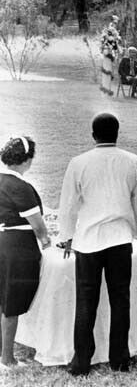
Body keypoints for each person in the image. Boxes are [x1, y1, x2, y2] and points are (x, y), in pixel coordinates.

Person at [57, 113, 137, 376]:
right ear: (117, 133)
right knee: (120, 300)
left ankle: (81, 363)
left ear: (93, 135)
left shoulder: (79, 162)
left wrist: (66, 236)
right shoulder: (133, 161)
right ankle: (120, 360)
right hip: (119, 238)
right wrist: (134, 231)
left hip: (89, 241)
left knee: (86, 301)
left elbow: (68, 204)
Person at [0, 137, 51, 369]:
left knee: (2, 299)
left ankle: (3, 353)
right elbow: (38, 226)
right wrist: (47, 242)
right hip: (17, 247)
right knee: (12, 303)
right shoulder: (20, 187)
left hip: (2, 241)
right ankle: (8, 359)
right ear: (27, 160)